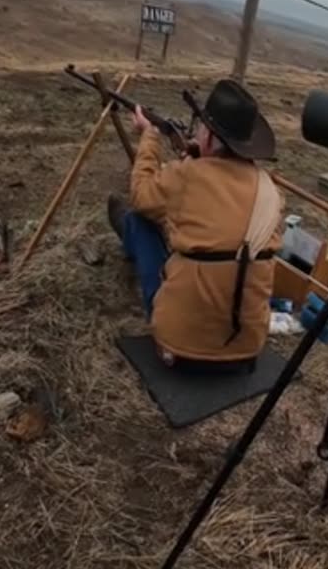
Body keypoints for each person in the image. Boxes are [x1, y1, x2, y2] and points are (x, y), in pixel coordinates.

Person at [106, 78, 284, 370]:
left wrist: (149, 136)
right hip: (247, 350)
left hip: (179, 349)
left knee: (139, 221)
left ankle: (127, 236)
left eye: (203, 127)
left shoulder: (186, 175)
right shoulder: (271, 191)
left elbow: (141, 195)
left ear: (211, 138)